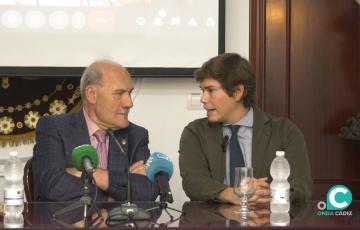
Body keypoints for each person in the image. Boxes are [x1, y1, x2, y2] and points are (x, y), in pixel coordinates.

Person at [179, 53, 312, 205]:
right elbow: (193, 182)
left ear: (237, 92)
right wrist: (231, 194)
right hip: (214, 221)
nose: (203, 99)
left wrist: (272, 195)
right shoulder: (195, 132)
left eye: (210, 90)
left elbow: (303, 186)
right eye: (202, 90)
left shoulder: (285, 131)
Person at [32, 60, 159, 201]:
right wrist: (115, 194)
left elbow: (149, 191)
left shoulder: (136, 135)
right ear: (92, 94)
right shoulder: (54, 127)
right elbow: (52, 186)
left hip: (118, 223)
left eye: (129, 93)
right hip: (66, 222)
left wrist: (93, 175)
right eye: (119, 93)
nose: (129, 103)